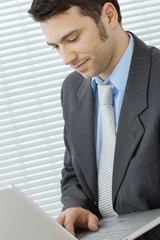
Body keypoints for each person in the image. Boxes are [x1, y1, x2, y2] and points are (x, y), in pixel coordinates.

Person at [28, 1, 160, 239]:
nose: (66, 59)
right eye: (55, 46)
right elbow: (73, 172)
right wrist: (75, 206)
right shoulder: (72, 89)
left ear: (109, 16)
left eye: (72, 39)